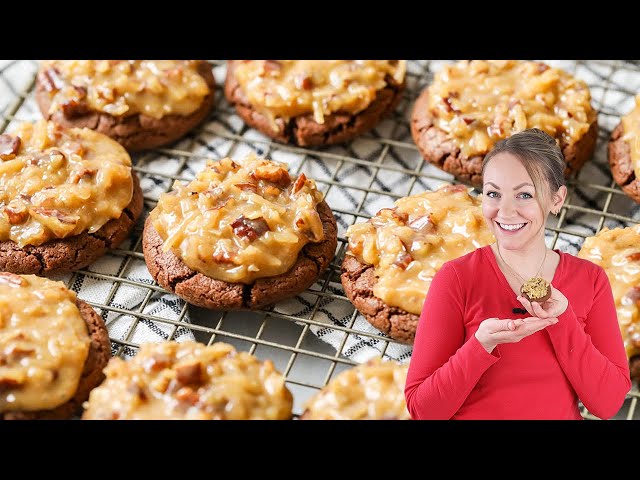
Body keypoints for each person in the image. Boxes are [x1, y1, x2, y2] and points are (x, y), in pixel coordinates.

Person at [404, 128, 631, 420]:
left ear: (556, 199)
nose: (506, 211)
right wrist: (481, 345)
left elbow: (609, 403)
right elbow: (423, 410)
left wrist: (563, 321)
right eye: (493, 194)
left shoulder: (590, 279)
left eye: (525, 194)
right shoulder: (457, 278)